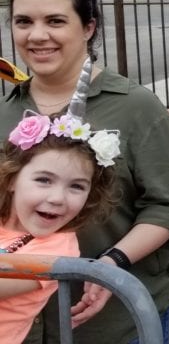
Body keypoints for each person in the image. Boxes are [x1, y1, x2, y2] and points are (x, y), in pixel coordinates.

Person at [0, 0, 169, 344]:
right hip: (18, 325)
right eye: (23, 22)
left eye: (55, 21)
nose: (37, 35)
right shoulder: (7, 110)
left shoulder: (137, 107)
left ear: (88, 27)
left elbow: (168, 208)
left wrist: (109, 266)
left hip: (116, 321)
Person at [0, 64, 119, 343]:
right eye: (43, 180)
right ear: (12, 178)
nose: (56, 198)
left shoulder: (57, 248)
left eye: (76, 186)